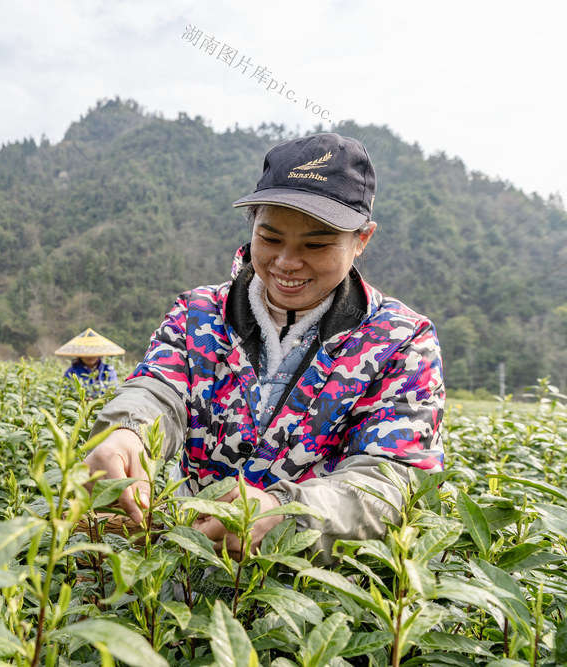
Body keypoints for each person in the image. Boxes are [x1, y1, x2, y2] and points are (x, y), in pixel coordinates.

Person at [84, 133, 445, 566]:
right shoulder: (199, 313)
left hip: (310, 589)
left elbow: (393, 478)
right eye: (270, 238)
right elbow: (157, 389)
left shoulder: (400, 340)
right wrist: (127, 433)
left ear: (361, 239)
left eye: (316, 244)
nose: (287, 262)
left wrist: (285, 516)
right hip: (185, 566)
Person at [56, 328, 123, 396]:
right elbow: (66, 391)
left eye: (93, 353)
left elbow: (114, 391)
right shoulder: (72, 372)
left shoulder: (108, 370)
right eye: (86, 353)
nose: (90, 356)